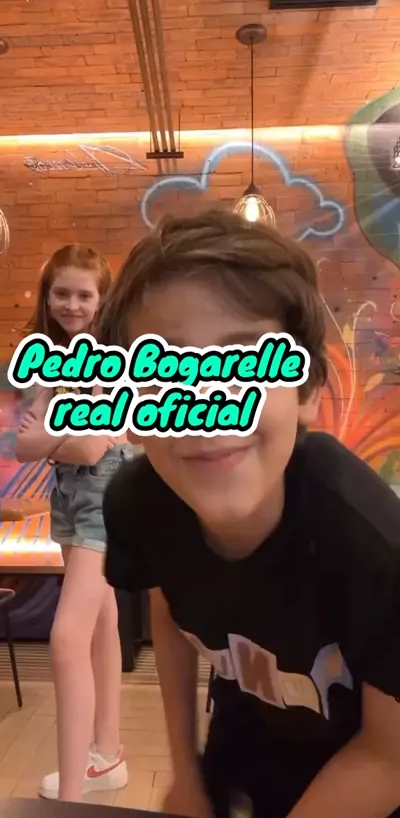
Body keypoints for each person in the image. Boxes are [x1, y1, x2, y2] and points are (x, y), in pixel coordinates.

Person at [97, 210, 400, 818]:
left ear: (307, 391)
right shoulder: (141, 502)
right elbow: (170, 606)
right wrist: (186, 772)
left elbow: (388, 755)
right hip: (250, 745)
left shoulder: (372, 545)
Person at [14, 245, 128, 803]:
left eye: (85, 294)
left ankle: (72, 798)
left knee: (66, 637)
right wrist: (63, 436)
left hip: (104, 494)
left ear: (102, 300)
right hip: (67, 494)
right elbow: (21, 446)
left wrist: (48, 436)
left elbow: (90, 447)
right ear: (47, 296)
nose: (72, 304)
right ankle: (108, 755)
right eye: (62, 293)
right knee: (102, 622)